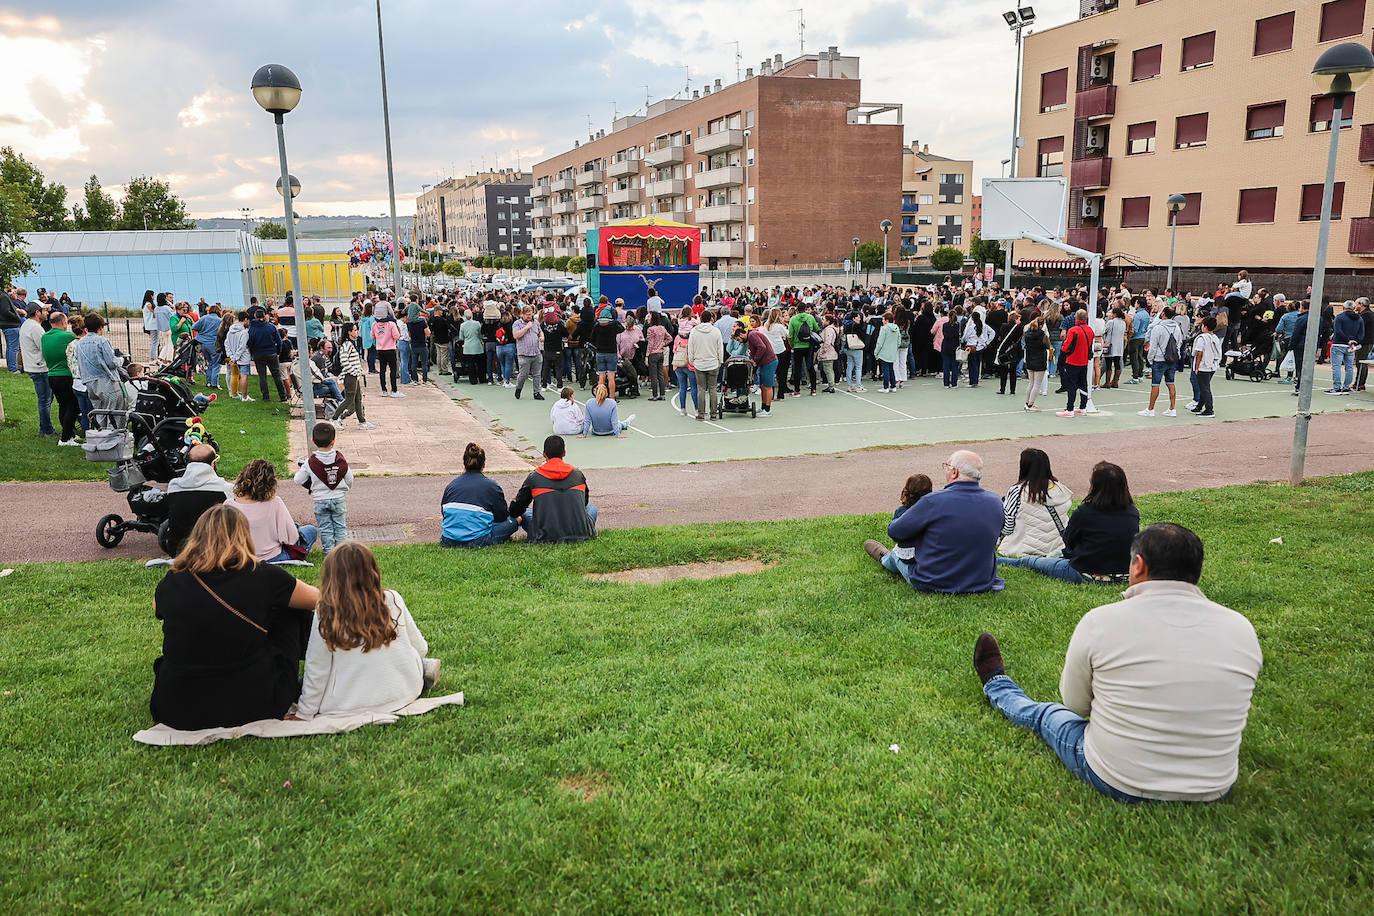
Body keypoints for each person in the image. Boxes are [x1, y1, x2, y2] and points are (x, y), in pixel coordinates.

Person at [973, 523, 1262, 803]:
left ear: (1138, 565)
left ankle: (997, 684)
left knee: (1048, 715)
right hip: (1213, 787)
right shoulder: (1241, 628)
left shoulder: (1102, 621)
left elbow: (1075, 705)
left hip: (1119, 780)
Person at [149, 505, 321, 730]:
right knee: (291, 610)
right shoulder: (263, 576)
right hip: (254, 704)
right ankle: (321, 678)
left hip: (175, 707)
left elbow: (157, 610)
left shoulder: (172, 581)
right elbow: (318, 599)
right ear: (243, 536)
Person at [293, 542, 440, 719]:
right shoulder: (393, 598)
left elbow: (317, 669)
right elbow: (421, 647)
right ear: (373, 571)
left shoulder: (325, 611)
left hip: (348, 704)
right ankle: (423, 668)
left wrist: (304, 712)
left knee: (296, 686)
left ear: (331, 577)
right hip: (404, 693)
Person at [864, 450, 1005, 594]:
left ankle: (885, 556)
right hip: (981, 581)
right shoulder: (996, 502)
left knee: (897, 555)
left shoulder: (933, 501)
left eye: (946, 466)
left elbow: (895, 532)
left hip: (933, 581)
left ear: (954, 472)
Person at [998, 461, 1140, 584]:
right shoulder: (1132, 512)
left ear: (1095, 486)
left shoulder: (1085, 512)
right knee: (1054, 555)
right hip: (1125, 573)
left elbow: (1069, 540)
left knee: (1030, 562)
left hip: (1087, 573)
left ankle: (997, 561)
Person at [508, 435, 598, 543]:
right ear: (564, 453)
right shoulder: (578, 474)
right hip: (580, 532)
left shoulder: (534, 477)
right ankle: (588, 530)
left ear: (544, 454)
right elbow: (584, 503)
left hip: (544, 535)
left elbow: (516, 509)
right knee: (591, 508)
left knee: (526, 513)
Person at [227, 458, 319, 562]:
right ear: (271, 482)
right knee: (310, 531)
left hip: (241, 558)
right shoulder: (275, 502)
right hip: (272, 556)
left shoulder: (229, 504)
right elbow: (291, 539)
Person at [997, 448, 1073, 559]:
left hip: (1023, 548)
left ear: (1024, 467)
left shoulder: (1018, 491)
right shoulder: (1060, 489)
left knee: (1003, 502)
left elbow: (1008, 527)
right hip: (1058, 546)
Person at [440, 442, 518, 548]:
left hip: (447, 539)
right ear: (484, 464)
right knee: (516, 519)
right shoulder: (492, 486)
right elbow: (502, 517)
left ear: (464, 463)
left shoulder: (451, 486)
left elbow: (444, 513)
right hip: (477, 540)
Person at [163, 443, 233, 556]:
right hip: (214, 552)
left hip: (179, 551)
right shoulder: (224, 488)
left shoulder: (173, 487)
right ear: (213, 463)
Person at [294, 422, 353, 556]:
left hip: (320, 500)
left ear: (313, 441)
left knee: (325, 528)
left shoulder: (310, 462)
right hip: (338, 498)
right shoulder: (340, 460)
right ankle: (342, 552)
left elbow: (298, 479)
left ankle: (329, 553)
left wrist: (311, 486)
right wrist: (344, 490)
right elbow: (349, 478)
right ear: (333, 441)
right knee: (340, 526)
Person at [873, 473, 934, 582]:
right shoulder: (932, 511)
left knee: (893, 558)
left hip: (908, 558)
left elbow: (896, 535)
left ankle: (884, 557)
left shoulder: (901, 512)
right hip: (927, 555)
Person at [41, 311, 80, 445]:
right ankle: (65, 438)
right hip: (65, 375)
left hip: (51, 375)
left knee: (62, 405)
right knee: (72, 406)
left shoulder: (45, 337)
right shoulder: (68, 336)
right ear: (63, 322)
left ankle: (69, 433)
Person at [1139, 306, 1183, 417]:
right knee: (1171, 383)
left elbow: (1153, 346)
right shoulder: (1176, 327)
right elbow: (1179, 342)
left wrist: (1150, 359)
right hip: (1172, 358)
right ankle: (1172, 408)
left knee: (1155, 384)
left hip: (1159, 359)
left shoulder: (1158, 328)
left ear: (1163, 314)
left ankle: (1150, 409)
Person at [19, 301, 54, 437]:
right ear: (37, 312)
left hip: (33, 366)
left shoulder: (26, 325)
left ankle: (44, 428)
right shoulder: (35, 328)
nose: (47, 313)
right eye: (44, 311)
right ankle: (47, 430)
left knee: (45, 400)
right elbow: (44, 348)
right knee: (45, 400)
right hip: (40, 368)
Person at [332, 322, 374, 429]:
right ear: (349, 332)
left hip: (354, 376)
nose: (357, 332)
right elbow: (344, 360)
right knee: (349, 399)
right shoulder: (347, 345)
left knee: (358, 399)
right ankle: (334, 419)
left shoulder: (351, 344)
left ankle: (362, 422)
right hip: (350, 376)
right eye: (355, 330)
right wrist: (354, 371)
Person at [687, 311, 725, 421]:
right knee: (713, 389)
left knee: (701, 389)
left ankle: (701, 414)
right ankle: (714, 414)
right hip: (713, 363)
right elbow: (720, 347)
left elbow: (691, 347)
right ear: (711, 319)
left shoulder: (694, 331)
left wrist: (692, 360)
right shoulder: (716, 331)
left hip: (699, 363)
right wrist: (720, 361)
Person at [248, 308, 288, 402]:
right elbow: (279, 342)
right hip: (271, 353)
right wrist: (278, 352)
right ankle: (283, 396)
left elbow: (250, 343)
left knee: (262, 376)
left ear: (255, 317)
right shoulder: (271, 327)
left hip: (258, 354)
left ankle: (266, 397)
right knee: (277, 376)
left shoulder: (252, 329)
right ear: (265, 316)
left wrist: (253, 353)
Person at [738, 320, 778, 417]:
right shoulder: (750, 338)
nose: (739, 342)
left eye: (738, 339)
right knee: (763, 386)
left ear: (741, 335)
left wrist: (755, 360)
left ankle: (767, 410)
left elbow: (762, 347)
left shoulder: (752, 335)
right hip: (764, 363)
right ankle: (763, 407)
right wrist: (754, 370)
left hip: (769, 362)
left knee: (768, 386)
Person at [1329, 300, 1364, 394]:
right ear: (1353, 308)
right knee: (1349, 367)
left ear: (1343, 308)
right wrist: (1355, 342)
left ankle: (1336, 387)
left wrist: (1347, 340)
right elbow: (1361, 333)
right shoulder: (1359, 318)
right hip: (1351, 346)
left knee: (1336, 367)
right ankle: (1346, 386)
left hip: (1339, 344)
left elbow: (1338, 331)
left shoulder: (1340, 317)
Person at [1190, 315, 1222, 417]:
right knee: (1204, 386)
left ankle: (1209, 409)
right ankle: (1199, 406)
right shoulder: (1215, 338)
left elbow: (1199, 353)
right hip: (1212, 365)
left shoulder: (1202, 338)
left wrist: (1196, 367)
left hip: (1203, 365)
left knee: (1204, 388)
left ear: (1205, 327)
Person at [512, 304, 544, 400]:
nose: (529, 316)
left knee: (537, 374)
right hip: (524, 354)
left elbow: (540, 331)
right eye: (527, 315)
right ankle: (519, 388)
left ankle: (536, 392)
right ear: (523, 314)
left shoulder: (536, 323)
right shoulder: (517, 323)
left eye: (530, 314)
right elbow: (516, 336)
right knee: (523, 374)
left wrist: (542, 336)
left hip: (536, 352)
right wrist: (526, 327)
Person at [671, 307, 699, 416]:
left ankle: (683, 409)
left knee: (682, 387)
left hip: (678, 364)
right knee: (693, 387)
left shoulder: (678, 336)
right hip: (690, 365)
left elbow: (674, 350)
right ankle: (697, 410)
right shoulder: (692, 337)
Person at [371, 301, 403, 398]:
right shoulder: (391, 324)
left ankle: (384, 390)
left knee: (382, 370)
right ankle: (394, 390)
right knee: (393, 370)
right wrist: (399, 332)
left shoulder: (375, 324)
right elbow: (396, 336)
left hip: (380, 349)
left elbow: (372, 336)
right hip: (390, 349)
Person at [1021, 315, 1052, 411]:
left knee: (1031, 383)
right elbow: (1048, 346)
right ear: (1041, 325)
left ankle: (1027, 403)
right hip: (1040, 360)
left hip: (1030, 359)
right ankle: (1030, 405)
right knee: (1037, 384)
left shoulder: (1027, 334)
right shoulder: (1043, 335)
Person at [193, 306, 223, 389]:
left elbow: (194, 327)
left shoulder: (204, 318)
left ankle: (208, 382)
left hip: (203, 344)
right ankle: (215, 384)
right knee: (216, 364)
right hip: (214, 344)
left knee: (210, 363)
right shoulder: (219, 321)